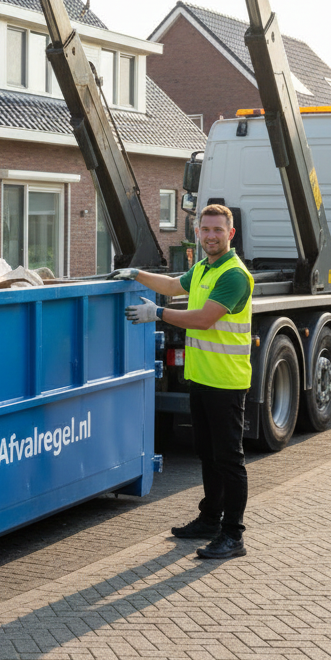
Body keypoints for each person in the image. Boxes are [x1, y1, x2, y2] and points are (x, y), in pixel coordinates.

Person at [114, 204, 253, 560]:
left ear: (230, 234)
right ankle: (210, 520)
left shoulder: (233, 275)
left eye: (217, 230)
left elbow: (204, 319)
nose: (210, 236)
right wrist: (137, 274)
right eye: (205, 230)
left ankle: (233, 535)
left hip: (226, 383)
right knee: (207, 455)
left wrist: (156, 313)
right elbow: (174, 283)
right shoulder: (205, 267)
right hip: (203, 380)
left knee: (229, 460)